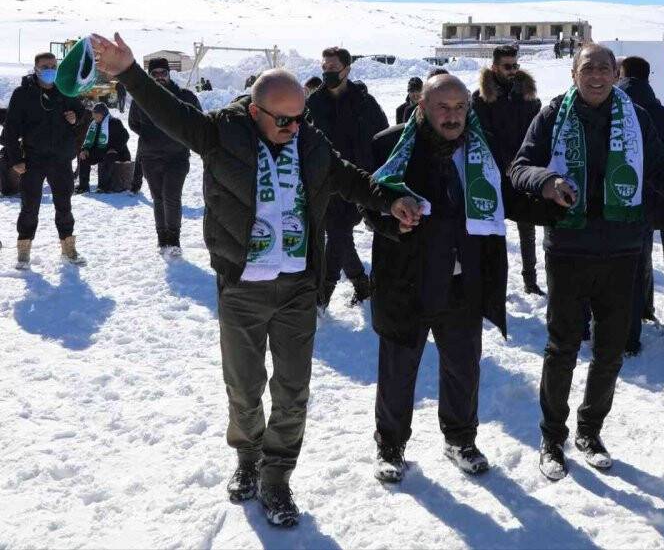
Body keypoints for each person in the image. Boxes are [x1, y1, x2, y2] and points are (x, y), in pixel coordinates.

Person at [90, 32, 421, 527]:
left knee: (292, 390)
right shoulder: (220, 134)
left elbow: (348, 177)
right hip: (242, 288)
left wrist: (389, 199)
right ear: (254, 111)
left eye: (299, 117)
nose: (293, 127)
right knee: (244, 389)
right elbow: (170, 115)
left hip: (296, 289)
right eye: (283, 119)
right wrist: (129, 73)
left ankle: (277, 477)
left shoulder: (307, 139)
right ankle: (248, 458)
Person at [510, 43, 664, 480]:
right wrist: (547, 180)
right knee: (562, 346)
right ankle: (553, 437)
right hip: (568, 246)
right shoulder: (553, 115)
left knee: (610, 351)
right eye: (587, 68)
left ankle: (590, 431)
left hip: (624, 249)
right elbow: (519, 167)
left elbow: (661, 171)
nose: (596, 75)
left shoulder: (636, 117)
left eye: (604, 68)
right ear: (573, 74)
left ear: (615, 73)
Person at [365, 74, 520, 482]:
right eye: (442, 107)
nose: (453, 117)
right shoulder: (390, 145)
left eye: (459, 108)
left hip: (462, 279)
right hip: (407, 279)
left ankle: (460, 439)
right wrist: (394, 221)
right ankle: (390, 445)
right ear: (422, 107)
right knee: (398, 369)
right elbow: (368, 206)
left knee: (463, 367)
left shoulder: (480, 148)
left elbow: (505, 196)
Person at [306, 46, 390, 308]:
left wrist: (381, 178)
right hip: (325, 182)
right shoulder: (313, 104)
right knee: (340, 234)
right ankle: (360, 284)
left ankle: (323, 295)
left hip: (360, 181)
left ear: (347, 69)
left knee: (339, 233)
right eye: (324, 68)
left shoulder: (365, 103)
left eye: (333, 68)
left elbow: (383, 140)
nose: (327, 72)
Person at [617, 56, 664, 352]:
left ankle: (640, 312)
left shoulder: (614, 111)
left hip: (629, 196)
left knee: (635, 259)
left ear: (621, 74)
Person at [2, 52, 88, 268]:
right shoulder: (23, 94)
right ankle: (24, 248)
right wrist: (16, 160)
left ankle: (68, 247)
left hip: (60, 159)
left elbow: (81, 114)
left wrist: (75, 118)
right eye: (45, 66)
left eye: (53, 65)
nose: (50, 69)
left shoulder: (66, 91)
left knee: (64, 205)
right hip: (33, 159)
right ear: (36, 68)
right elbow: (10, 130)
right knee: (29, 206)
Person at [473, 45, 543, 295]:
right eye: (507, 66)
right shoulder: (480, 98)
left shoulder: (528, 96)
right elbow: (482, 136)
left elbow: (537, 132)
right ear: (494, 67)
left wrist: (527, 162)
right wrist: (502, 163)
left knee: (528, 228)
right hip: (493, 172)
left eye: (515, 65)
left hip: (523, 170)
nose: (513, 71)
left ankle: (530, 280)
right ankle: (492, 282)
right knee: (492, 230)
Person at [128, 57, 202, 254]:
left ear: (169, 74)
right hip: (150, 157)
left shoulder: (184, 96)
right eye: (155, 73)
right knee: (158, 198)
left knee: (171, 196)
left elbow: (198, 120)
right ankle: (162, 238)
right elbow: (134, 123)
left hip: (177, 156)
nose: (160, 77)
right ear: (150, 76)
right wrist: (150, 137)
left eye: (163, 73)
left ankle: (174, 239)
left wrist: (181, 137)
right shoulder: (141, 98)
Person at [76, 102, 130, 193]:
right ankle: (83, 186)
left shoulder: (115, 122)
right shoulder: (94, 124)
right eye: (94, 115)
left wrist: (114, 148)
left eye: (96, 115)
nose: (94, 117)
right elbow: (89, 140)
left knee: (108, 157)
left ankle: (103, 186)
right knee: (83, 157)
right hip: (100, 151)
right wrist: (85, 150)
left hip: (116, 152)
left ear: (103, 114)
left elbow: (125, 136)